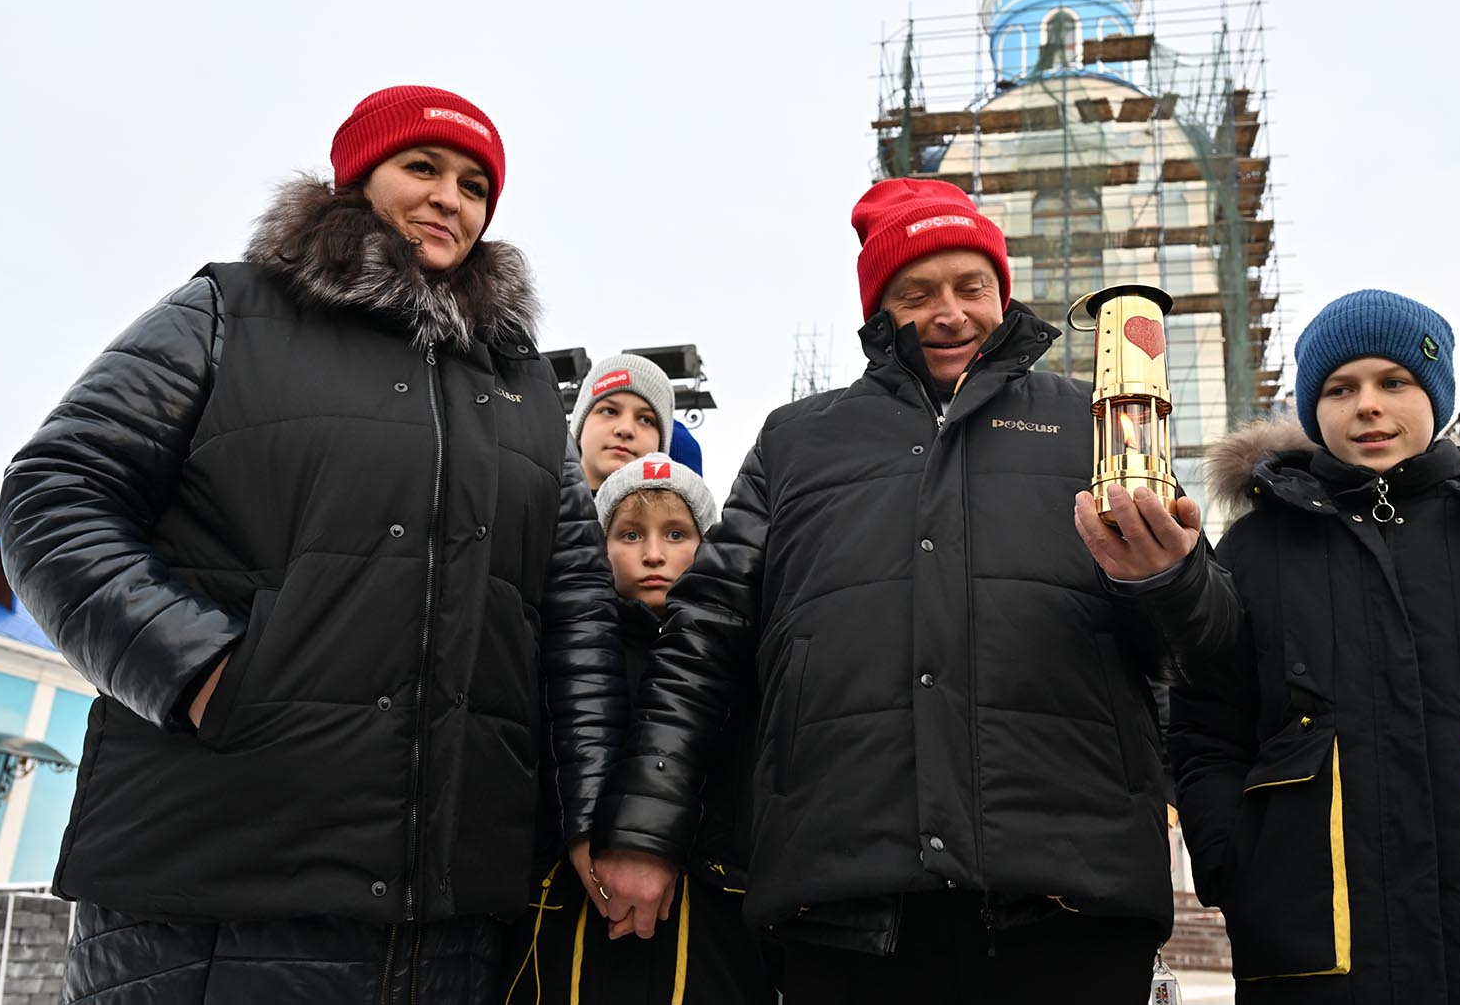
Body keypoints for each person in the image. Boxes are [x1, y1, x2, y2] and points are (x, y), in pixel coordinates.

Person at [0, 85, 628, 1004]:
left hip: (447, 914)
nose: (449, 198)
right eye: (421, 168)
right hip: (213, 883)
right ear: (356, 179)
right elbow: (56, 493)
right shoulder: (228, 314)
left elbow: (574, 610)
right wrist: (202, 672)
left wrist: (590, 807)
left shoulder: (522, 387)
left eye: (473, 183)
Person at [587, 178, 1233, 1004]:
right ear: (879, 311)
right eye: (916, 293)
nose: (950, 314)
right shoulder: (798, 442)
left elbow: (1210, 650)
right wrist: (645, 833)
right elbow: (702, 645)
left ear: (1003, 293)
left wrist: (1168, 579)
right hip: (845, 892)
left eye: (972, 288)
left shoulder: (1096, 424)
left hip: (1070, 892)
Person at [1128, 289, 1460, 1003]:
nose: (1368, 405)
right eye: (1340, 387)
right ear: (1313, 408)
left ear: (1436, 395)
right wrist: (1235, 862)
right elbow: (1206, 726)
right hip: (1317, 946)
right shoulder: (1258, 549)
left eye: (1395, 382)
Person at [505, 453, 773, 1004]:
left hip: (709, 937)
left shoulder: (744, 664)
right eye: (629, 535)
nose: (654, 554)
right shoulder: (561, 664)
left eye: (677, 533)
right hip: (572, 928)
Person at [573, 354, 674, 491]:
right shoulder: (537, 505)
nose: (625, 429)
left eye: (646, 420)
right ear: (579, 427)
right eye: (609, 411)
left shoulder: (687, 512)